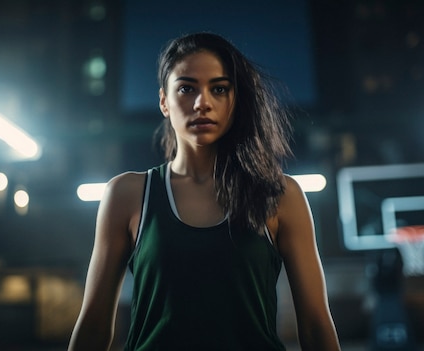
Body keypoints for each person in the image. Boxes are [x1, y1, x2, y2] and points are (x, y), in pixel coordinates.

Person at [68, 32, 341, 351]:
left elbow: (316, 325)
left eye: (219, 89)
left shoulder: (280, 195)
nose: (202, 103)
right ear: (163, 102)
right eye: (186, 88)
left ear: (234, 100)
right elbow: (94, 326)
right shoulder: (127, 194)